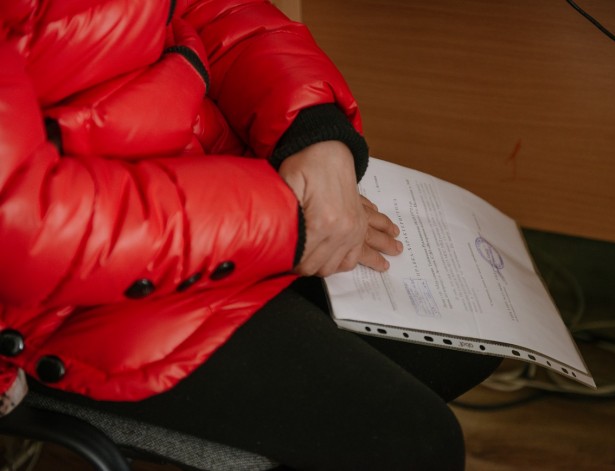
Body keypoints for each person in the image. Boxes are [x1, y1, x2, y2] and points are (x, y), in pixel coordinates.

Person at [0, 1, 501, 469]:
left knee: (469, 341)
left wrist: (311, 128)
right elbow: (24, 225)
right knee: (414, 444)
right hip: (58, 296)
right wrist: (284, 218)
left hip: (204, 196)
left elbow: (212, 9)